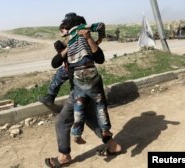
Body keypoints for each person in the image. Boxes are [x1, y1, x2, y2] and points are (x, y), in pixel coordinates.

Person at [45, 13, 122, 167]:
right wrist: (66, 49)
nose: (64, 31)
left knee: (62, 121)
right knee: (92, 119)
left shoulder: (85, 40)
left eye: (65, 27)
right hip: (84, 88)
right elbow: (55, 63)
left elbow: (99, 58)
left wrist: (89, 38)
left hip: (82, 88)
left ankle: (64, 156)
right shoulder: (71, 45)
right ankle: (113, 145)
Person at [59, 14, 111, 144]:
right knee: (99, 102)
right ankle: (105, 130)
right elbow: (100, 25)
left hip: (77, 74)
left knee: (79, 104)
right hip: (89, 70)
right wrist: (100, 37)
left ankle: (76, 134)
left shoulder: (70, 38)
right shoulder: (82, 28)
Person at [38, 40, 69, 106]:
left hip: (73, 69)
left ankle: (50, 97)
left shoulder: (70, 45)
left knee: (59, 74)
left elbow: (55, 63)